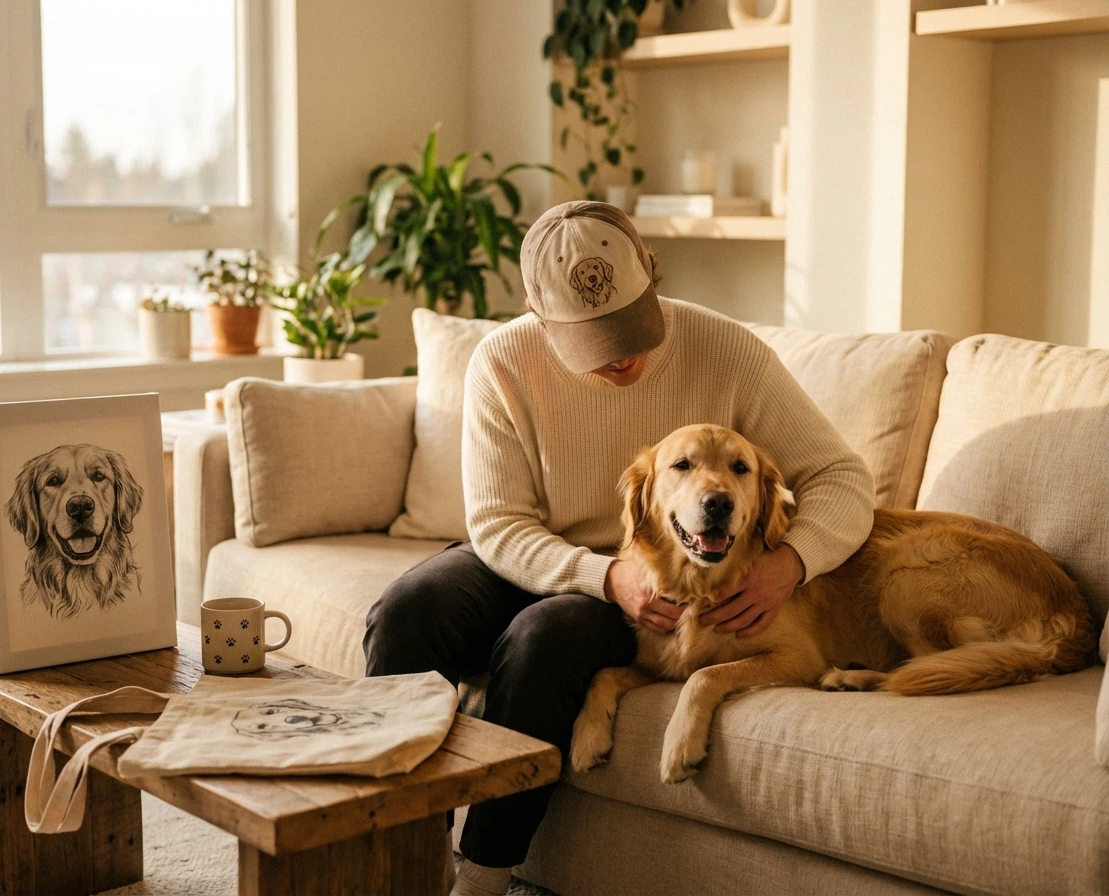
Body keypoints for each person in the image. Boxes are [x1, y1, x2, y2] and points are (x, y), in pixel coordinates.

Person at [364, 200, 875, 896]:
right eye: (594, 340)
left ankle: (483, 875)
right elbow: (498, 525)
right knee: (408, 610)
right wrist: (603, 576)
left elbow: (841, 476)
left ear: (653, 279)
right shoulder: (503, 362)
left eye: (631, 325)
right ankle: (386, 856)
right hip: (546, 557)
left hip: (661, 571)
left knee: (543, 639)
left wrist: (791, 563)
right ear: (537, 314)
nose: (624, 354)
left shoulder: (727, 351)